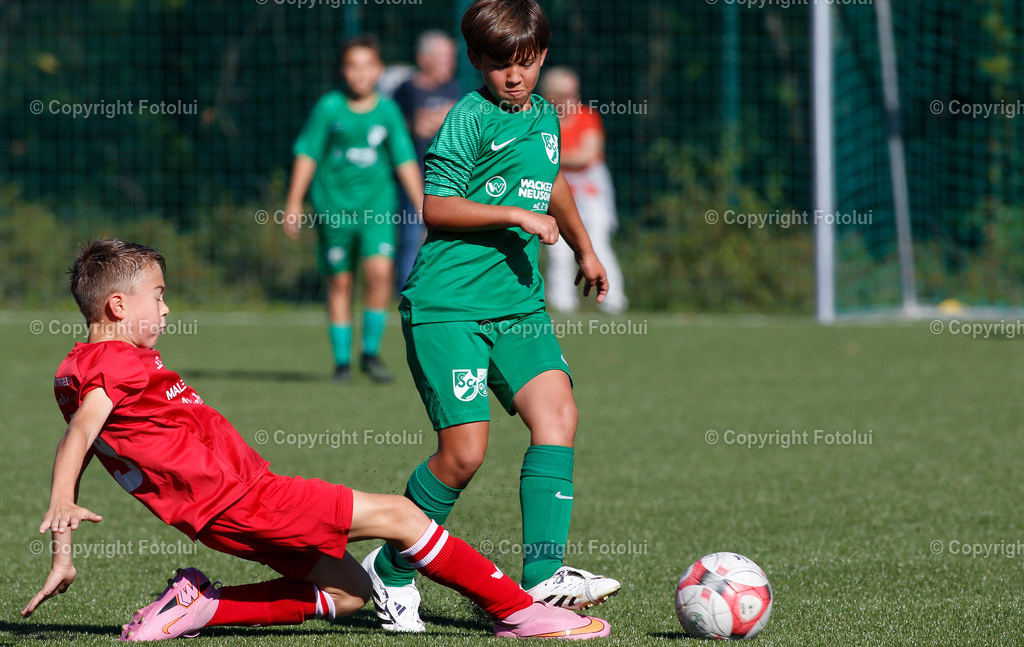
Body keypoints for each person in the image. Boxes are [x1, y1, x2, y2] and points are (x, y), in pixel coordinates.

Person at [20, 239, 610, 641]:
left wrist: (63, 551)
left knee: (348, 592)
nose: (167, 308)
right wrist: (62, 498)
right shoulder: (114, 362)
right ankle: (520, 612)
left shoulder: (78, 370)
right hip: (247, 500)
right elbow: (81, 434)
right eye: (158, 295)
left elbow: (84, 440)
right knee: (403, 516)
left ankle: (201, 607)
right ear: (118, 305)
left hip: (221, 514)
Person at [361, 0, 621, 633]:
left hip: (518, 306)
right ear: (478, 61)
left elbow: (552, 179)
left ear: (542, 56)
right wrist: (513, 214)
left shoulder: (544, 115)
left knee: (558, 413)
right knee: (463, 454)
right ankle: (389, 567)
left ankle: (542, 576)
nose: (514, 75)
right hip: (448, 306)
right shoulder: (468, 117)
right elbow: (436, 207)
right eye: (500, 62)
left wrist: (587, 249)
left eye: (526, 61)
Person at [284, 35, 423, 384]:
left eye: (367, 65)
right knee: (340, 281)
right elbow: (308, 154)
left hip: (377, 209)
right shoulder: (329, 108)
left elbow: (405, 159)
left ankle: (370, 353)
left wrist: (423, 205)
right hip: (334, 211)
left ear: (379, 70)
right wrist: (294, 202)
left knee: (380, 273)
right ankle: (342, 363)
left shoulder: (387, 111)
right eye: (352, 65)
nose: (360, 73)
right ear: (343, 70)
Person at [540, 67, 627, 314]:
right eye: (567, 94)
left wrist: (550, 158)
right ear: (550, 96)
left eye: (575, 92)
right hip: (556, 190)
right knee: (558, 249)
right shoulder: (541, 120)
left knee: (598, 244)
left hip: (590, 192)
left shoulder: (587, 117)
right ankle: (562, 303)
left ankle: (613, 300)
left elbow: (586, 156)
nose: (574, 99)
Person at [392, 30, 461, 292]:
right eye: (443, 57)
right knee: (412, 237)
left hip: (449, 180)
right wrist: (424, 121)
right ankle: (407, 294)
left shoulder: (454, 87)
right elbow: (401, 125)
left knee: (447, 238)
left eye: (451, 56)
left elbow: (455, 122)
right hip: (414, 179)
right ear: (424, 59)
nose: (450, 62)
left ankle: (441, 291)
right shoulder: (406, 90)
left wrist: (431, 119)